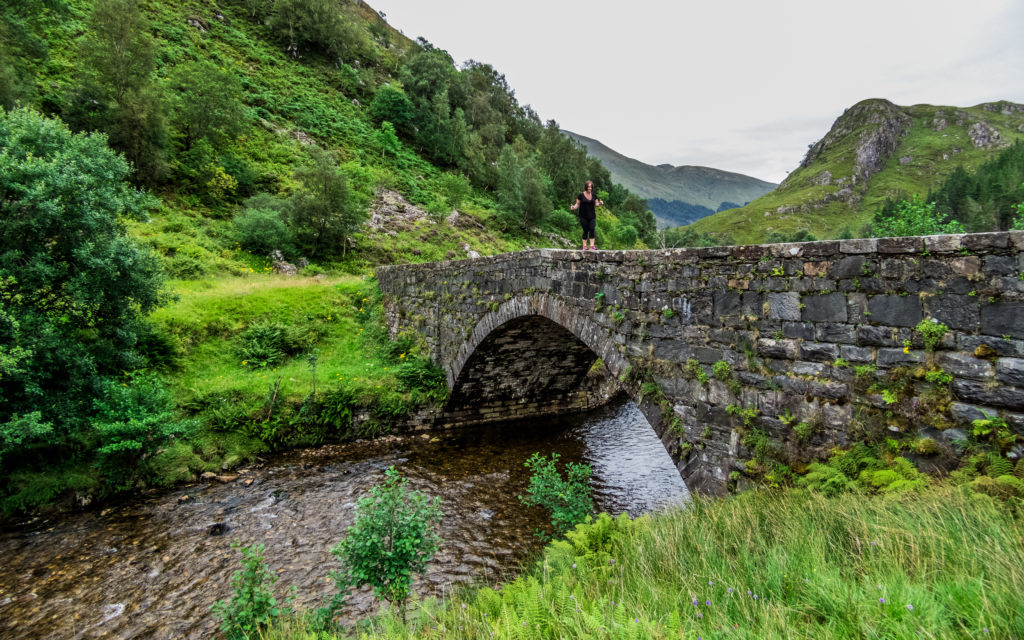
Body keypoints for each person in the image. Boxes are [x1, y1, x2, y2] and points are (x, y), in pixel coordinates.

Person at [570, 180, 604, 251]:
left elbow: (596, 204)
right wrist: (573, 207)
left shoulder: (594, 195)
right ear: (586, 187)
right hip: (583, 216)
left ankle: (592, 246)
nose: (590, 188)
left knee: (592, 229)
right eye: (588, 187)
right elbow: (577, 204)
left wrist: (600, 203)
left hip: (592, 216)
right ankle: (584, 246)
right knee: (585, 231)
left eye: (591, 187)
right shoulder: (580, 195)